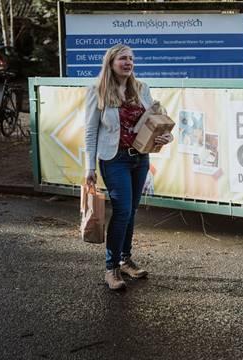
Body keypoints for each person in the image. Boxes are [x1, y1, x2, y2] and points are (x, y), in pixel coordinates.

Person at [84, 44, 173, 290]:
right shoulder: (97, 90)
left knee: (131, 211)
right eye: (123, 58)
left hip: (140, 157)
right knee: (122, 211)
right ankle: (111, 268)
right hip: (114, 159)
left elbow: (157, 119)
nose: (128, 62)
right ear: (111, 62)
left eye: (131, 58)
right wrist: (88, 167)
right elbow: (91, 131)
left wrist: (166, 136)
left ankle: (125, 259)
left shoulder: (141, 88)